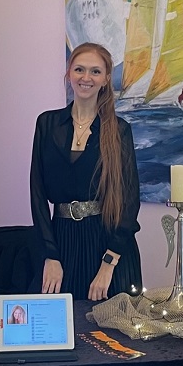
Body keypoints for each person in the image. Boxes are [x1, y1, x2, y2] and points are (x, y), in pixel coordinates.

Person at [30, 42, 143, 300]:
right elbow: (37, 195)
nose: (86, 77)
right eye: (79, 69)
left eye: (95, 71)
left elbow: (130, 200)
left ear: (105, 79)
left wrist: (109, 263)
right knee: (55, 321)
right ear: (69, 73)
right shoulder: (47, 123)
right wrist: (50, 255)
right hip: (61, 243)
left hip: (108, 246)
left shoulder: (119, 130)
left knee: (110, 325)